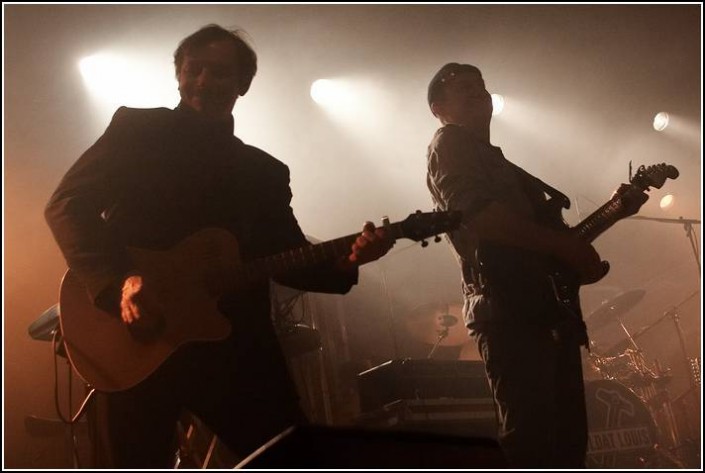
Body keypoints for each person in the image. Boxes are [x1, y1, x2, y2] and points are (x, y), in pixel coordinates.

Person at [45, 24, 393, 468]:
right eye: (195, 69)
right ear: (179, 74)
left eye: (221, 74)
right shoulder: (136, 130)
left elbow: (286, 256)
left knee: (292, 457)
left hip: (234, 347)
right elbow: (66, 205)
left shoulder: (263, 172)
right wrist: (118, 284)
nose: (205, 82)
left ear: (243, 85)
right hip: (137, 332)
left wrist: (348, 261)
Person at [425, 63, 607, 468]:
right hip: (509, 310)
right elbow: (481, 216)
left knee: (565, 446)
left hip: (542, 308)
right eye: (463, 89)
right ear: (438, 108)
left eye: (480, 85)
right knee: (532, 444)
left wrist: (600, 226)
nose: (477, 92)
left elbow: (541, 244)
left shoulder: (499, 161)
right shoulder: (449, 143)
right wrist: (565, 248)